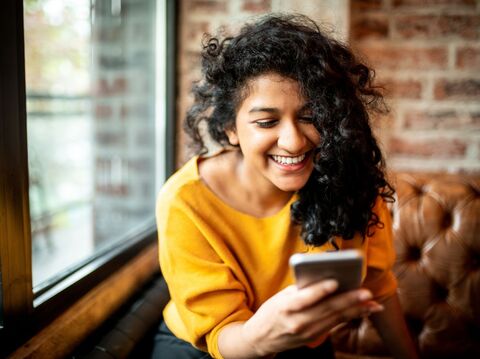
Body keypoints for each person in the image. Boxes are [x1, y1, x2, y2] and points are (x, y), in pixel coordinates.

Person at [154, 14, 418, 359]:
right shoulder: (185, 201)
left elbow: (379, 287)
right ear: (231, 128)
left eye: (310, 117)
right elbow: (220, 334)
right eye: (266, 122)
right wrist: (262, 338)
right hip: (206, 349)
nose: (293, 142)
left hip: (300, 346)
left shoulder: (350, 180)